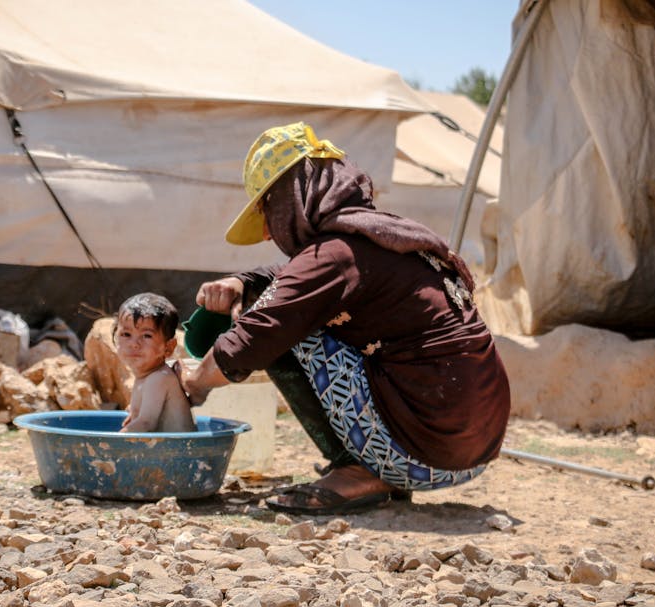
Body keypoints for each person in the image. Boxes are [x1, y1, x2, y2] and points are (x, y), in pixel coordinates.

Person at [181, 122, 510, 515]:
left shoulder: (337, 254)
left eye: (268, 210)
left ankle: (359, 473)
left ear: (291, 199)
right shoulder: (384, 238)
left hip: (424, 452)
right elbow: (298, 275)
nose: (268, 233)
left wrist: (193, 384)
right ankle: (371, 467)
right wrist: (242, 281)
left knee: (287, 322)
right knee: (288, 305)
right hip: (473, 449)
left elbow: (255, 336)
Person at [114, 293, 196, 433]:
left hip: (179, 451)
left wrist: (111, 442)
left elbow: (146, 424)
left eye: (147, 336)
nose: (134, 344)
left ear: (168, 347)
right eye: (126, 334)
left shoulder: (159, 378)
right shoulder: (145, 377)